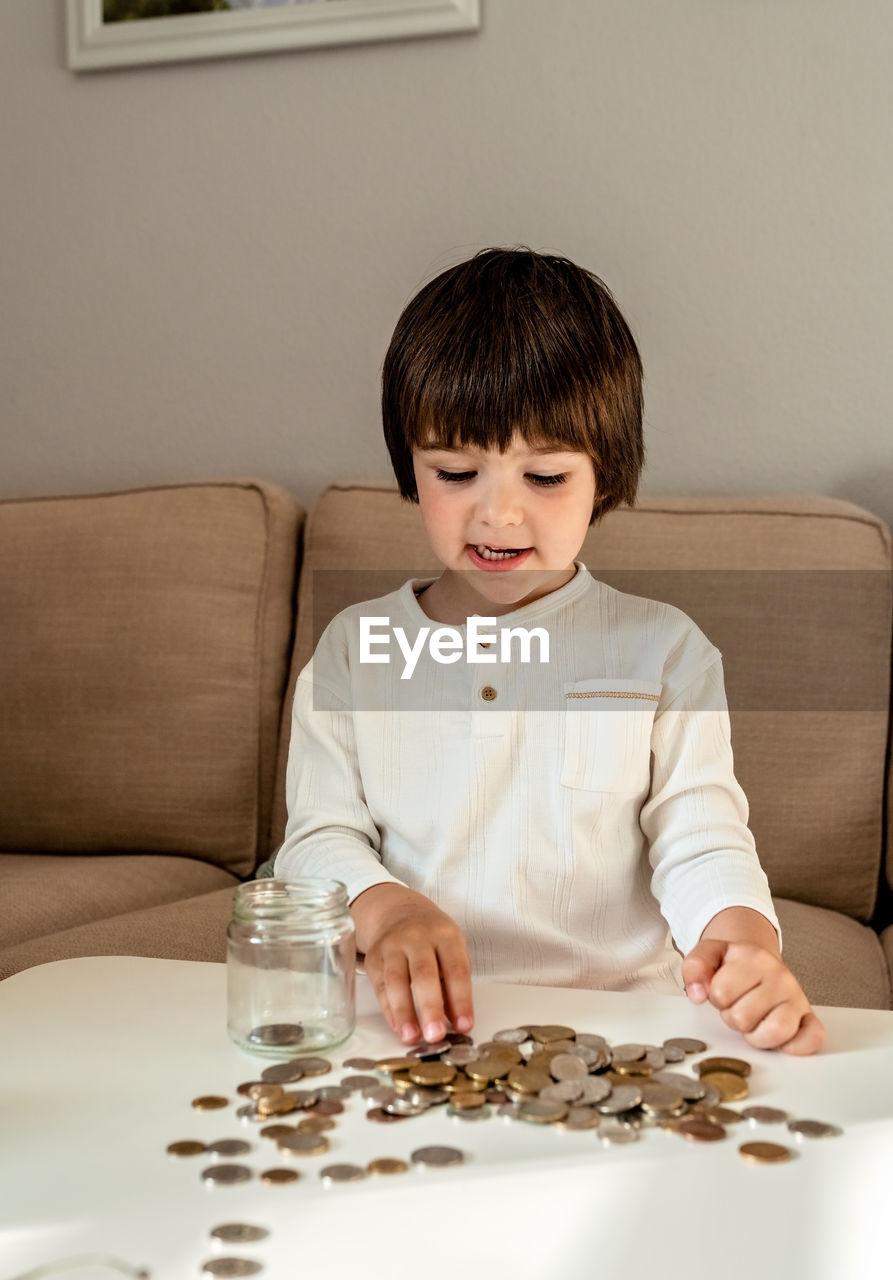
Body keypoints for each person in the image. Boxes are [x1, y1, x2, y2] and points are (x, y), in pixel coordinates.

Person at [274, 246, 825, 1057]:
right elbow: (316, 838)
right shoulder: (356, 650)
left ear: (603, 476)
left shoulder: (664, 650)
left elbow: (699, 834)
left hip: (621, 1035)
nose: (498, 517)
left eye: (544, 478)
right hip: (412, 1029)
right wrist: (385, 907)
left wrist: (742, 940)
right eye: (456, 471)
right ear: (409, 467)